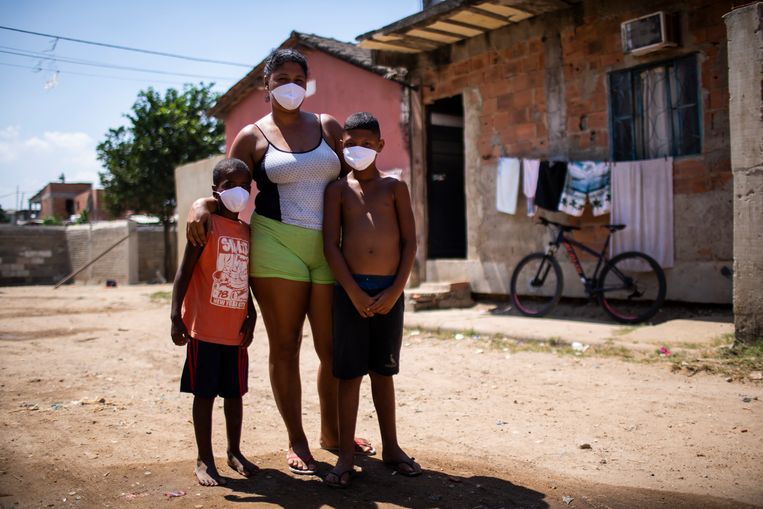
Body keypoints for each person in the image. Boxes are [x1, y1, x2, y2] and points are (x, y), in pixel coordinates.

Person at [185, 48, 374, 475]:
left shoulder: (327, 126)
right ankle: (298, 441)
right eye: (281, 77)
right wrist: (200, 203)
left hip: (329, 248)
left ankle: (331, 433)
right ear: (265, 85)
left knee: (332, 349)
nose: (291, 84)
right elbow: (227, 188)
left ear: (307, 83)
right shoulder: (252, 136)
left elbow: (357, 180)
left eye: (298, 77)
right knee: (286, 345)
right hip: (275, 246)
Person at [322, 112, 421, 488]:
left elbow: (410, 242)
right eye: (351, 143)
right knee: (348, 375)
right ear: (341, 147)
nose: (358, 149)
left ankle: (392, 448)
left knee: (384, 372)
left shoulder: (395, 188)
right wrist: (352, 291)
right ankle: (346, 455)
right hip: (350, 293)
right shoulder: (336, 190)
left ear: (380, 146)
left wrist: (395, 291)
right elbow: (331, 244)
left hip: (388, 292)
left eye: (367, 142)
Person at [171, 158, 258, 486]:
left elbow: (244, 277)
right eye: (229, 186)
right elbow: (184, 271)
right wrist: (175, 317)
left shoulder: (247, 231)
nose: (238, 192)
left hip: (235, 331)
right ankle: (204, 458)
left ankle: (234, 451)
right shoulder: (204, 224)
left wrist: (251, 312)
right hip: (205, 329)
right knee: (204, 395)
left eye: (244, 187)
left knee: (234, 395)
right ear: (215, 191)